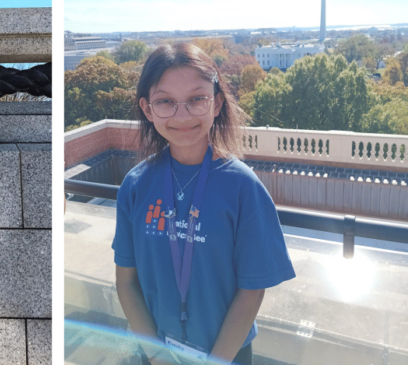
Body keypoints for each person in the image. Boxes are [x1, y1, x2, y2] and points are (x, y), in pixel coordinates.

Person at [112, 44, 296, 365]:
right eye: (166, 101)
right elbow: (127, 282)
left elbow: (251, 291)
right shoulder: (135, 185)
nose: (182, 115)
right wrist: (156, 355)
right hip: (156, 354)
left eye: (197, 98)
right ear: (147, 108)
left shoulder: (243, 187)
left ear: (216, 104)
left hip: (228, 355)